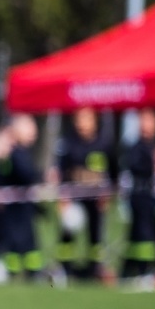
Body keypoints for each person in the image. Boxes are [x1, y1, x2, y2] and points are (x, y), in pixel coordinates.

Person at [54, 106, 114, 281]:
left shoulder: (104, 144)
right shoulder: (69, 143)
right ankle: (65, 268)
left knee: (95, 234)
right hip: (74, 195)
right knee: (68, 231)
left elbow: (112, 171)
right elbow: (62, 172)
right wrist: (63, 197)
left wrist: (107, 194)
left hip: (95, 198)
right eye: (80, 118)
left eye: (87, 119)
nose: (83, 123)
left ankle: (94, 269)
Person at [0, 114, 43, 280]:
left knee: (24, 242)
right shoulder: (10, 152)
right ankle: (21, 272)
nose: (34, 134)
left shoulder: (18, 151)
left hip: (18, 206)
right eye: (30, 128)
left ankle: (29, 272)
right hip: (12, 209)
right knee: (15, 241)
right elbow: (24, 174)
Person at [120, 109, 155, 283]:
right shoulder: (137, 147)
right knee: (141, 233)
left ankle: (144, 267)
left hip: (152, 195)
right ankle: (139, 269)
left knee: (148, 233)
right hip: (139, 194)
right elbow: (135, 166)